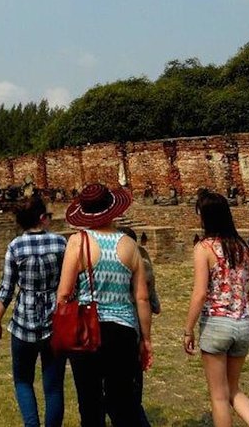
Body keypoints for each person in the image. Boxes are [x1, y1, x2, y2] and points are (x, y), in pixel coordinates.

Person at [56, 183, 153, 427]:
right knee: (122, 402)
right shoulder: (130, 246)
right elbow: (142, 298)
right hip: (123, 331)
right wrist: (146, 339)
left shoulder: (79, 243)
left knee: (89, 403)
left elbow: (64, 293)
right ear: (112, 209)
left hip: (86, 330)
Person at [183, 190, 249, 427]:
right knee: (234, 390)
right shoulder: (242, 247)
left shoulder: (204, 248)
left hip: (216, 324)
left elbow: (200, 293)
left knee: (219, 396)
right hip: (242, 324)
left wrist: (188, 329)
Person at [0, 195, 67, 427]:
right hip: (55, 323)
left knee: (23, 380)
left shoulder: (15, 247)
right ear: (43, 218)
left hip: (24, 323)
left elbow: (6, 289)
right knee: (53, 386)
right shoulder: (60, 243)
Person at [118, 226, 161, 427]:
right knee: (134, 381)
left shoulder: (124, 265)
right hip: (136, 329)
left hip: (124, 324)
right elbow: (153, 303)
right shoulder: (145, 264)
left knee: (119, 387)